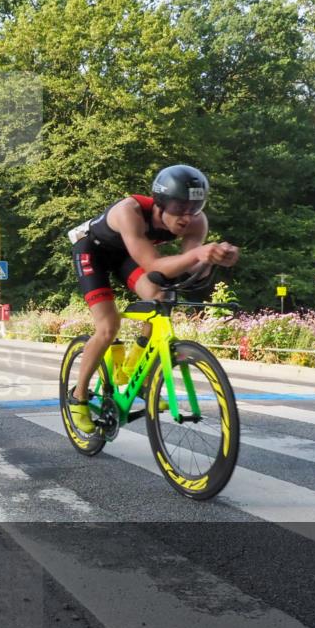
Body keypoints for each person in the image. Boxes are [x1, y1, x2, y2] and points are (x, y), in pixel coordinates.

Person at [67, 164, 239, 433]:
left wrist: (214, 258)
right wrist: (198, 254)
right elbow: (153, 264)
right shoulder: (129, 211)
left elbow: (190, 267)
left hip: (127, 256)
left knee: (161, 296)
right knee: (109, 326)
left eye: (194, 208)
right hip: (93, 252)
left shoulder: (197, 222)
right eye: (179, 208)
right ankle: (78, 397)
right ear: (160, 203)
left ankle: (137, 367)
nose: (187, 217)